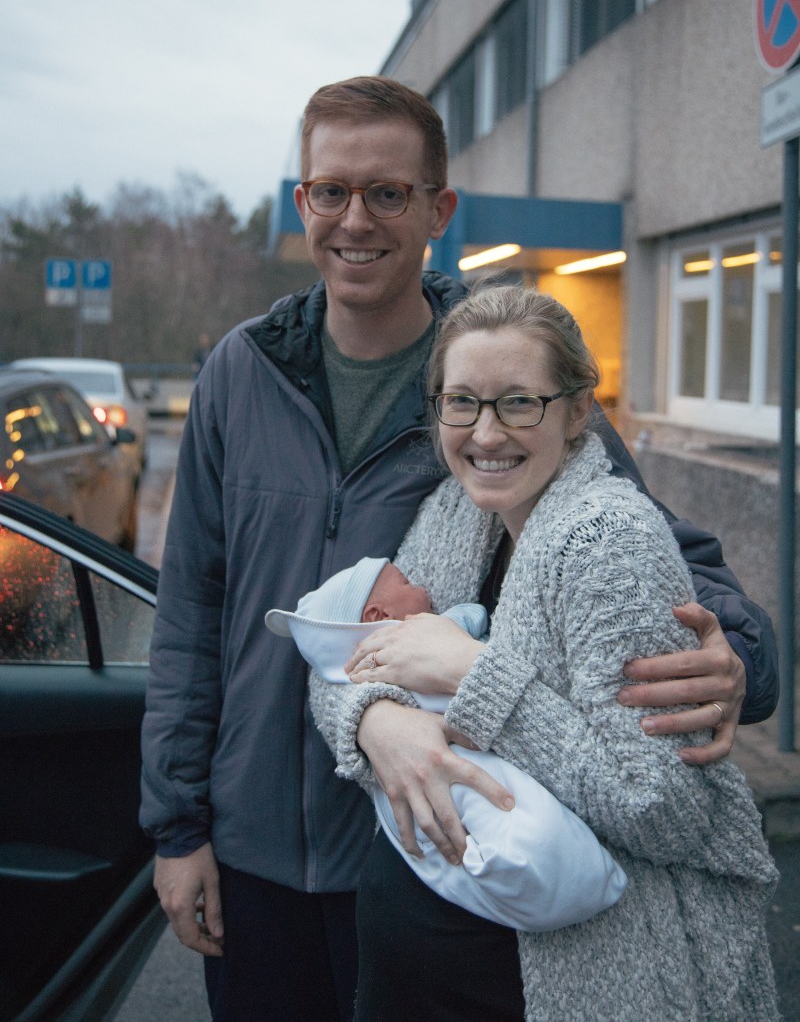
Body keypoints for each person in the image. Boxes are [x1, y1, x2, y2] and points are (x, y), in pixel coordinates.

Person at [139, 76, 778, 1022]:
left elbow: (656, 552)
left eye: (388, 193)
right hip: (254, 846)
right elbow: (193, 610)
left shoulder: (501, 375)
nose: (357, 220)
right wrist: (177, 827)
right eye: (332, 191)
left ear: (438, 210)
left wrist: (740, 660)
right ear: (304, 202)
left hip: (432, 851)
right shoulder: (240, 371)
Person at [312, 286, 779, 1021]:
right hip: (427, 978)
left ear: (577, 410)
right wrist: (376, 721)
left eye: (518, 403)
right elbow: (334, 652)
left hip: (568, 983)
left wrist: (476, 676)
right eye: (462, 402)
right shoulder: (455, 514)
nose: (486, 432)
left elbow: (664, 809)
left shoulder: (608, 543)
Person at [265, 557, 627, 932]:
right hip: (435, 788)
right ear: (378, 615)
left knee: (479, 828)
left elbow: (335, 672)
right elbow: (468, 617)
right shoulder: (412, 639)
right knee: (508, 821)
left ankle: (555, 881)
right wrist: (373, 719)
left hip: (415, 886)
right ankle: (570, 877)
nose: (423, 588)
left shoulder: (360, 666)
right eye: (407, 583)